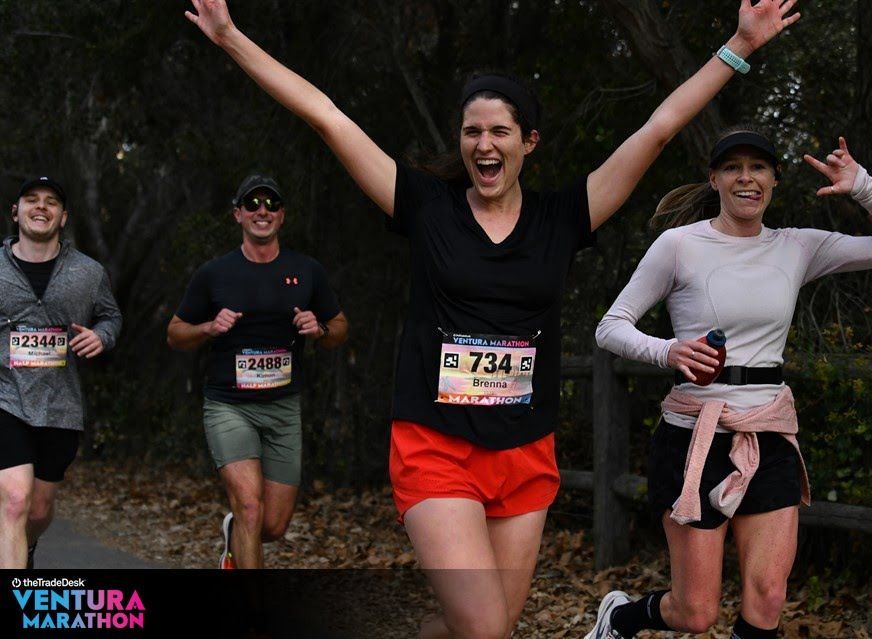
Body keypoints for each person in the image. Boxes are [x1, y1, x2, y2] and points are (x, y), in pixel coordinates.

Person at [185, 0, 799, 633]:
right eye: (472, 131)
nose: (484, 144)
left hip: (525, 451)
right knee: (481, 626)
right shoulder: (425, 205)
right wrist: (231, 38)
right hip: (435, 444)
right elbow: (326, 117)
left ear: (527, 143)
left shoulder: (563, 218)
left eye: (500, 132)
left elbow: (660, 127)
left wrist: (740, 46)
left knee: (486, 629)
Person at [587, 129, 872, 639]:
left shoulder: (798, 246)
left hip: (768, 432)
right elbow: (611, 326)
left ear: (774, 179)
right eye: (733, 168)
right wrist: (669, 350)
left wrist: (864, 187)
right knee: (695, 614)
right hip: (694, 436)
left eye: (759, 168)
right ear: (715, 179)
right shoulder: (679, 245)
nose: (747, 178)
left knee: (767, 598)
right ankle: (620, 618)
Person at [167, 174, 347, 569]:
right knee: (249, 505)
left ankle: (234, 536)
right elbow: (175, 334)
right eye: (252, 204)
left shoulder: (307, 271)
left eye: (270, 204)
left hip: (283, 408)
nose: (261, 211)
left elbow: (340, 328)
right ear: (238, 214)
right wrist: (208, 327)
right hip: (229, 406)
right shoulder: (214, 274)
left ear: (281, 216)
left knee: (273, 526)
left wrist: (319, 330)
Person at [0, 176, 122, 569]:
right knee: (14, 500)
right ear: (15, 212)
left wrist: (102, 337)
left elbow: (110, 316)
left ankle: (25, 548)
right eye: (31, 200)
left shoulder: (88, 272)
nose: (41, 206)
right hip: (5, 397)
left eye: (51, 202)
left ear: (63, 216)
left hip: (59, 406)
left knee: (36, 511)